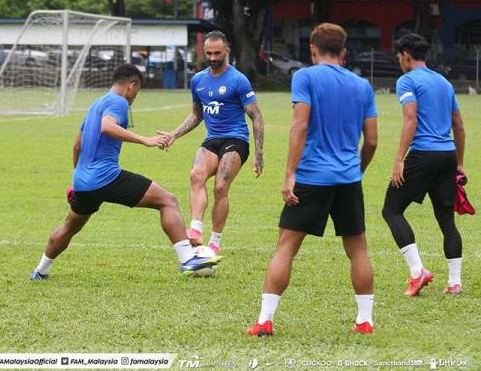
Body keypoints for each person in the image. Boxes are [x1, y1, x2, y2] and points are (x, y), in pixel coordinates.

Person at [246, 23, 378, 336]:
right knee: (358, 250)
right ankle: (365, 321)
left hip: (311, 177)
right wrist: (356, 169)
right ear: (343, 51)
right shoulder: (363, 86)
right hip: (348, 178)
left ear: (312, 49)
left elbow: (299, 127)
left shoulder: (304, 76)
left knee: (285, 248)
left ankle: (265, 320)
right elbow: (371, 140)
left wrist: (290, 173)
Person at [30, 64, 221, 280]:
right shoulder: (118, 102)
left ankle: (41, 270)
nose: (134, 98)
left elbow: (77, 146)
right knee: (167, 200)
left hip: (84, 182)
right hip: (106, 177)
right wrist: (146, 140)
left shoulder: (96, 103)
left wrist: (77, 181)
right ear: (132, 85)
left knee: (68, 227)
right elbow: (107, 127)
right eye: (136, 92)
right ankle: (188, 259)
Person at [158, 30, 264, 255]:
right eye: (209, 53)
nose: (213, 57)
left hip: (236, 140)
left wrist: (258, 154)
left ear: (227, 51)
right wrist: (174, 134)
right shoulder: (198, 80)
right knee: (196, 175)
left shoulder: (238, 80)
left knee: (220, 186)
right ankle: (196, 229)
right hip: (212, 139)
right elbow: (197, 114)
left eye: (217, 53)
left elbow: (256, 116)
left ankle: (215, 240)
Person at [382, 34, 466, 296]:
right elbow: (459, 126)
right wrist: (460, 163)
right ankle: (454, 282)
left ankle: (417, 272)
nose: (399, 62)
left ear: (406, 55)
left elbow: (411, 119)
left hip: (423, 155)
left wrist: (398, 160)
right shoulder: (443, 82)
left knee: (392, 210)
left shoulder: (407, 80)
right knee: (446, 220)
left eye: (399, 57)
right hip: (448, 155)